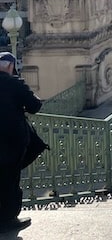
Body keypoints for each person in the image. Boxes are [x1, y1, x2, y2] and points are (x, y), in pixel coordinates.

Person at [0, 52, 42, 233]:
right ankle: (9, 220)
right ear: (10, 67)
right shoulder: (14, 83)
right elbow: (35, 106)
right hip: (11, 141)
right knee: (10, 178)